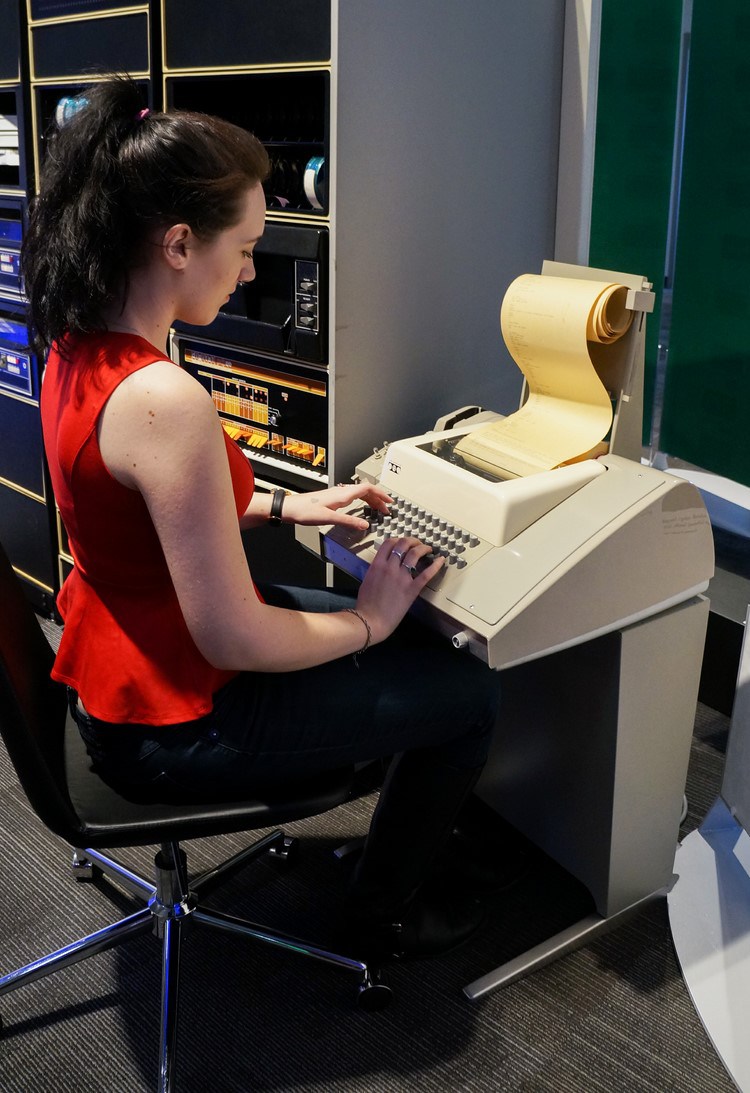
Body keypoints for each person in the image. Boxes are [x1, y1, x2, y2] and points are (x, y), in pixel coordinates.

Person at [22, 74, 504, 961]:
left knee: (404, 653)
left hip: (112, 667)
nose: (250, 271)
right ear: (176, 244)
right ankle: (379, 915)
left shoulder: (79, 339)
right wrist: (371, 615)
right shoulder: (168, 398)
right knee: (469, 693)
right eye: (242, 247)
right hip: (172, 721)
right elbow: (233, 637)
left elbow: (143, 502)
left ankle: (393, 827)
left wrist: (287, 502)